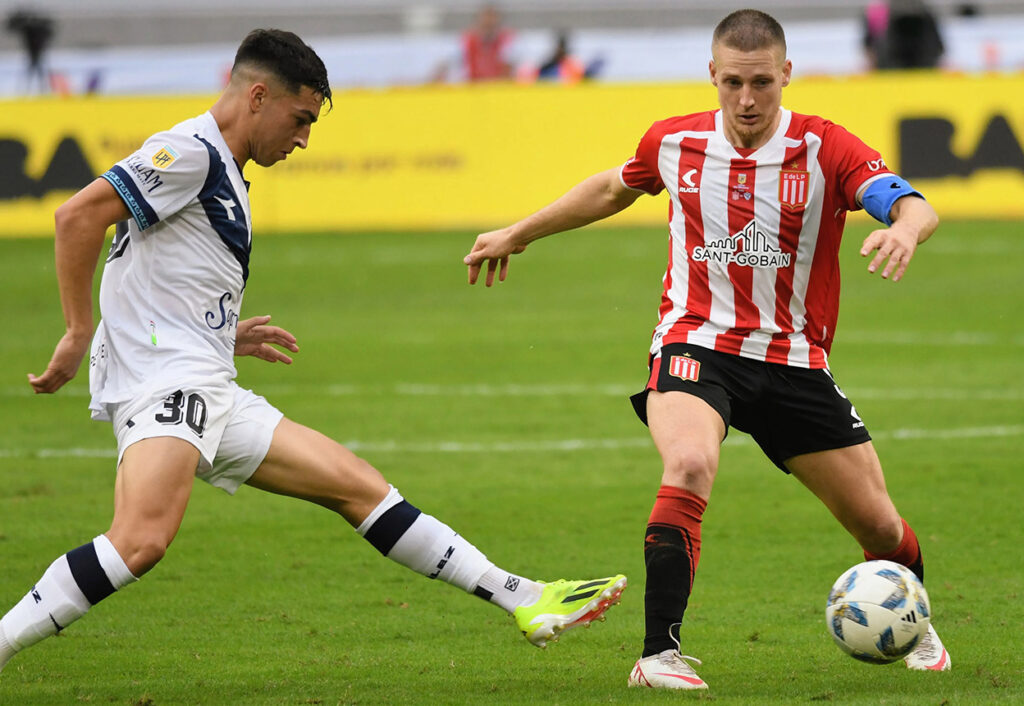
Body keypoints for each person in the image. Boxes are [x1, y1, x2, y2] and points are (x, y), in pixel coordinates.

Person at [0, 28, 627, 677]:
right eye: (300, 120)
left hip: (202, 375)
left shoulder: (221, 169)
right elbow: (78, 216)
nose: (302, 139)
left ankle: (522, 596)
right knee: (140, 541)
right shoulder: (190, 152)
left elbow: (144, 260)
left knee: (359, 488)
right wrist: (78, 331)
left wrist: (218, 330)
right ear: (258, 96)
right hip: (170, 383)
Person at [463, 9, 950, 690]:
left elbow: (912, 203)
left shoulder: (825, 147)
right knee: (689, 462)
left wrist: (905, 229)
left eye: (761, 83)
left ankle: (914, 623)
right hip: (697, 343)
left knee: (879, 522)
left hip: (793, 360)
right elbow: (611, 188)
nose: (746, 100)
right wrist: (520, 231)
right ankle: (657, 654)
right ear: (712, 77)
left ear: (786, 75)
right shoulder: (675, 141)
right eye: (732, 83)